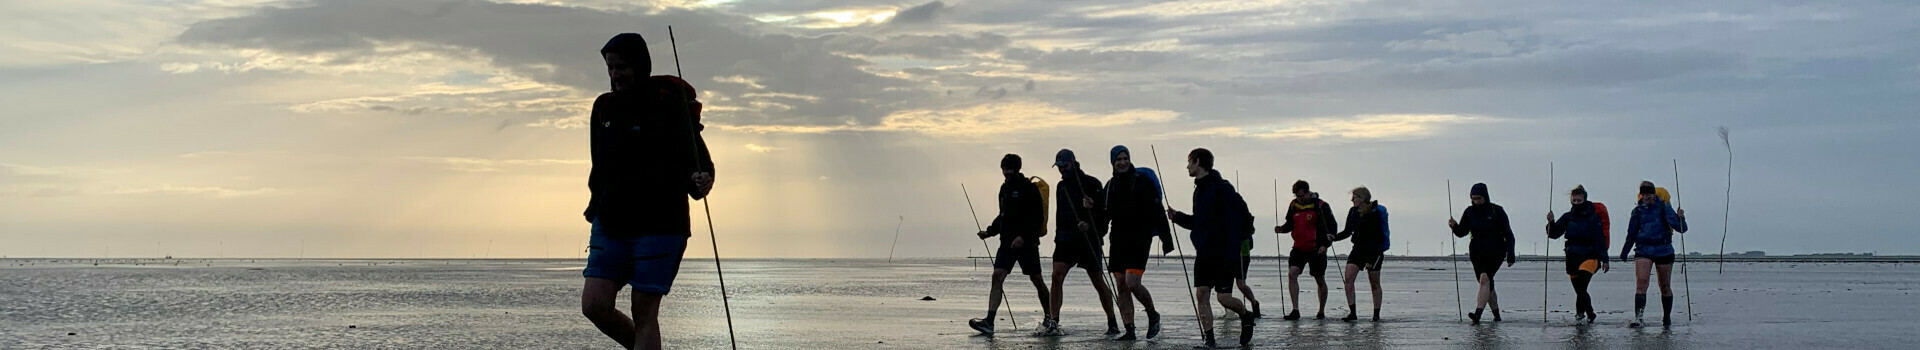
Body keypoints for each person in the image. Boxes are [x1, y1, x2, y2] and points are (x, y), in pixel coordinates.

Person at [580, 32, 715, 350]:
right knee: (595, 306)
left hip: (661, 225)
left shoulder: (667, 103)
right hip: (611, 222)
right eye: (610, 68)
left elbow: (700, 162)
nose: (615, 75)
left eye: (622, 67)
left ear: (640, 65)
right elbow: (597, 165)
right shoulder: (603, 108)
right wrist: (594, 204)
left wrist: (702, 179)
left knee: (643, 312)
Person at [1166, 148, 1257, 347]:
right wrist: (1178, 217)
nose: (1187, 166)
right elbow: (1199, 222)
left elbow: (1235, 222)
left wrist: (1233, 253)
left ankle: (1245, 315)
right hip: (1204, 252)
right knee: (1202, 294)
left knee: (1224, 298)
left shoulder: (1223, 188)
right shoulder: (1199, 190)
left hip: (1224, 253)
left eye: (1189, 162)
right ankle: (1210, 340)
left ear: (1198, 162)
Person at [968, 154, 1054, 335]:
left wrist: (1023, 237)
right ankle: (989, 322)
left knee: (1037, 279)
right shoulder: (1004, 189)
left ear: (1017, 169)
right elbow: (1003, 216)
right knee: (997, 276)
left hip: (1027, 243)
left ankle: (1050, 317)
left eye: (1009, 169)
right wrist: (989, 232)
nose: (1006, 172)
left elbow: (1037, 218)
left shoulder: (1029, 189)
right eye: (1004, 169)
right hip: (1006, 243)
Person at [1098, 146, 1175, 341]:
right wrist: (1098, 233)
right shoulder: (1110, 186)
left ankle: (1152, 314)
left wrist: (1167, 240)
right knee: (1121, 285)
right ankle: (1130, 330)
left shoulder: (1143, 182)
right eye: (1118, 160)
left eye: (1125, 158)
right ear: (1113, 163)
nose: (1123, 162)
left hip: (1140, 238)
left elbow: (1158, 212)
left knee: (1132, 282)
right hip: (1117, 240)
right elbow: (1104, 215)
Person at [1040, 149, 1120, 336]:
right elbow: (1061, 216)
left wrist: (1091, 221)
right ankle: (1054, 321)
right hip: (1065, 239)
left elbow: (1104, 214)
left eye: (1064, 166)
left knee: (1098, 281)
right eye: (1059, 167)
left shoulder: (1092, 183)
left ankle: (1112, 322)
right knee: (1056, 276)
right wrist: (1058, 236)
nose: (1061, 170)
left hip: (1088, 240)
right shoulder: (1061, 187)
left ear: (1073, 163)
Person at [1622, 181, 1688, 328]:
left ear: (1654, 194)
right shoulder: (1637, 211)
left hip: (1663, 249)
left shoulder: (1664, 207)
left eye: (1649, 194)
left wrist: (1680, 218)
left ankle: (1666, 318)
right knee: (1641, 282)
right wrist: (1625, 252)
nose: (1646, 197)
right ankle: (1639, 318)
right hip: (1643, 250)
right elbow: (1631, 234)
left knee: (1664, 286)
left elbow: (1681, 229)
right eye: (1643, 194)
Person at [1449, 183, 1514, 325]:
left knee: (1485, 279)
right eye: (1473, 198)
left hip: (1496, 252)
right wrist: (1454, 227)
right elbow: (1462, 232)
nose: (1476, 201)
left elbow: (1509, 234)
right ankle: (1497, 315)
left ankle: (1477, 314)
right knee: (1487, 284)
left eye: (1479, 198)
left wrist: (1511, 254)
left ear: (1485, 196)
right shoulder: (1469, 212)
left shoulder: (1497, 211)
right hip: (1477, 253)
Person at [1547, 185, 1611, 325]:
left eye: (1579, 200)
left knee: (1582, 283)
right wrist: (1551, 222)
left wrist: (1604, 259)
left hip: (1590, 255)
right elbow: (1553, 234)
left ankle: (1582, 314)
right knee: (1579, 290)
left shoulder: (1593, 217)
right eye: (1574, 200)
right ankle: (1588, 314)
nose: (1576, 203)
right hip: (1572, 256)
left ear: (1585, 199)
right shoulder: (1568, 217)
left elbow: (1600, 239)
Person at [1275, 180, 1337, 320]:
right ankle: (1295, 310)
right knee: (1292, 274)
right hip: (1298, 248)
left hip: (1316, 248)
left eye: (1302, 196)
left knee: (1319, 279)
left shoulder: (1321, 206)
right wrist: (1282, 229)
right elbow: (1290, 224)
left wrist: (1325, 245)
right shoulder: (1293, 205)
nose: (1299, 199)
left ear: (1308, 192)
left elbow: (1331, 227)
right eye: (1297, 196)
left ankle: (1321, 311)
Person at [1332, 187, 1389, 322]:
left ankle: (1376, 315)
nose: (1352, 200)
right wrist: (1334, 237)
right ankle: (1353, 313)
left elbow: (1378, 237)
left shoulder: (1375, 212)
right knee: (1349, 279)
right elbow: (1347, 231)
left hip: (1374, 251)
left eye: (1354, 197)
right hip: (1357, 249)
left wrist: (1371, 258)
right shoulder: (1353, 212)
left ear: (1363, 198)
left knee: (1374, 283)